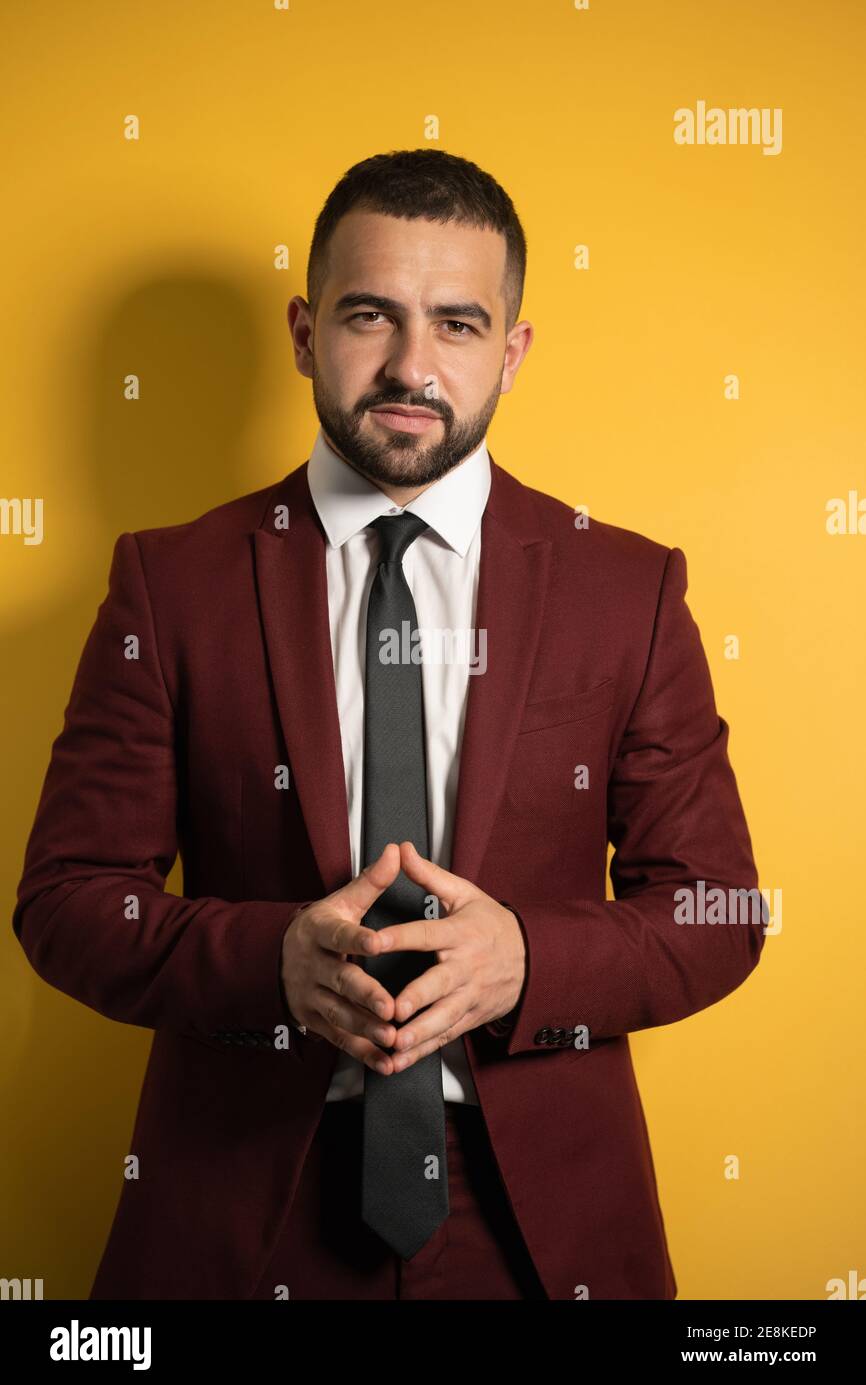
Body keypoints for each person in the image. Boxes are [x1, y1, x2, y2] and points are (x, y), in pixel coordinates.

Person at [13, 148, 765, 1300]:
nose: (412, 366)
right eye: (372, 314)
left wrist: (527, 957)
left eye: (457, 325)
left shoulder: (628, 588)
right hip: (239, 1209)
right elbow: (65, 897)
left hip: (540, 1225)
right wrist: (272, 963)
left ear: (510, 353)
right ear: (306, 332)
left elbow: (717, 912)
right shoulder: (170, 584)